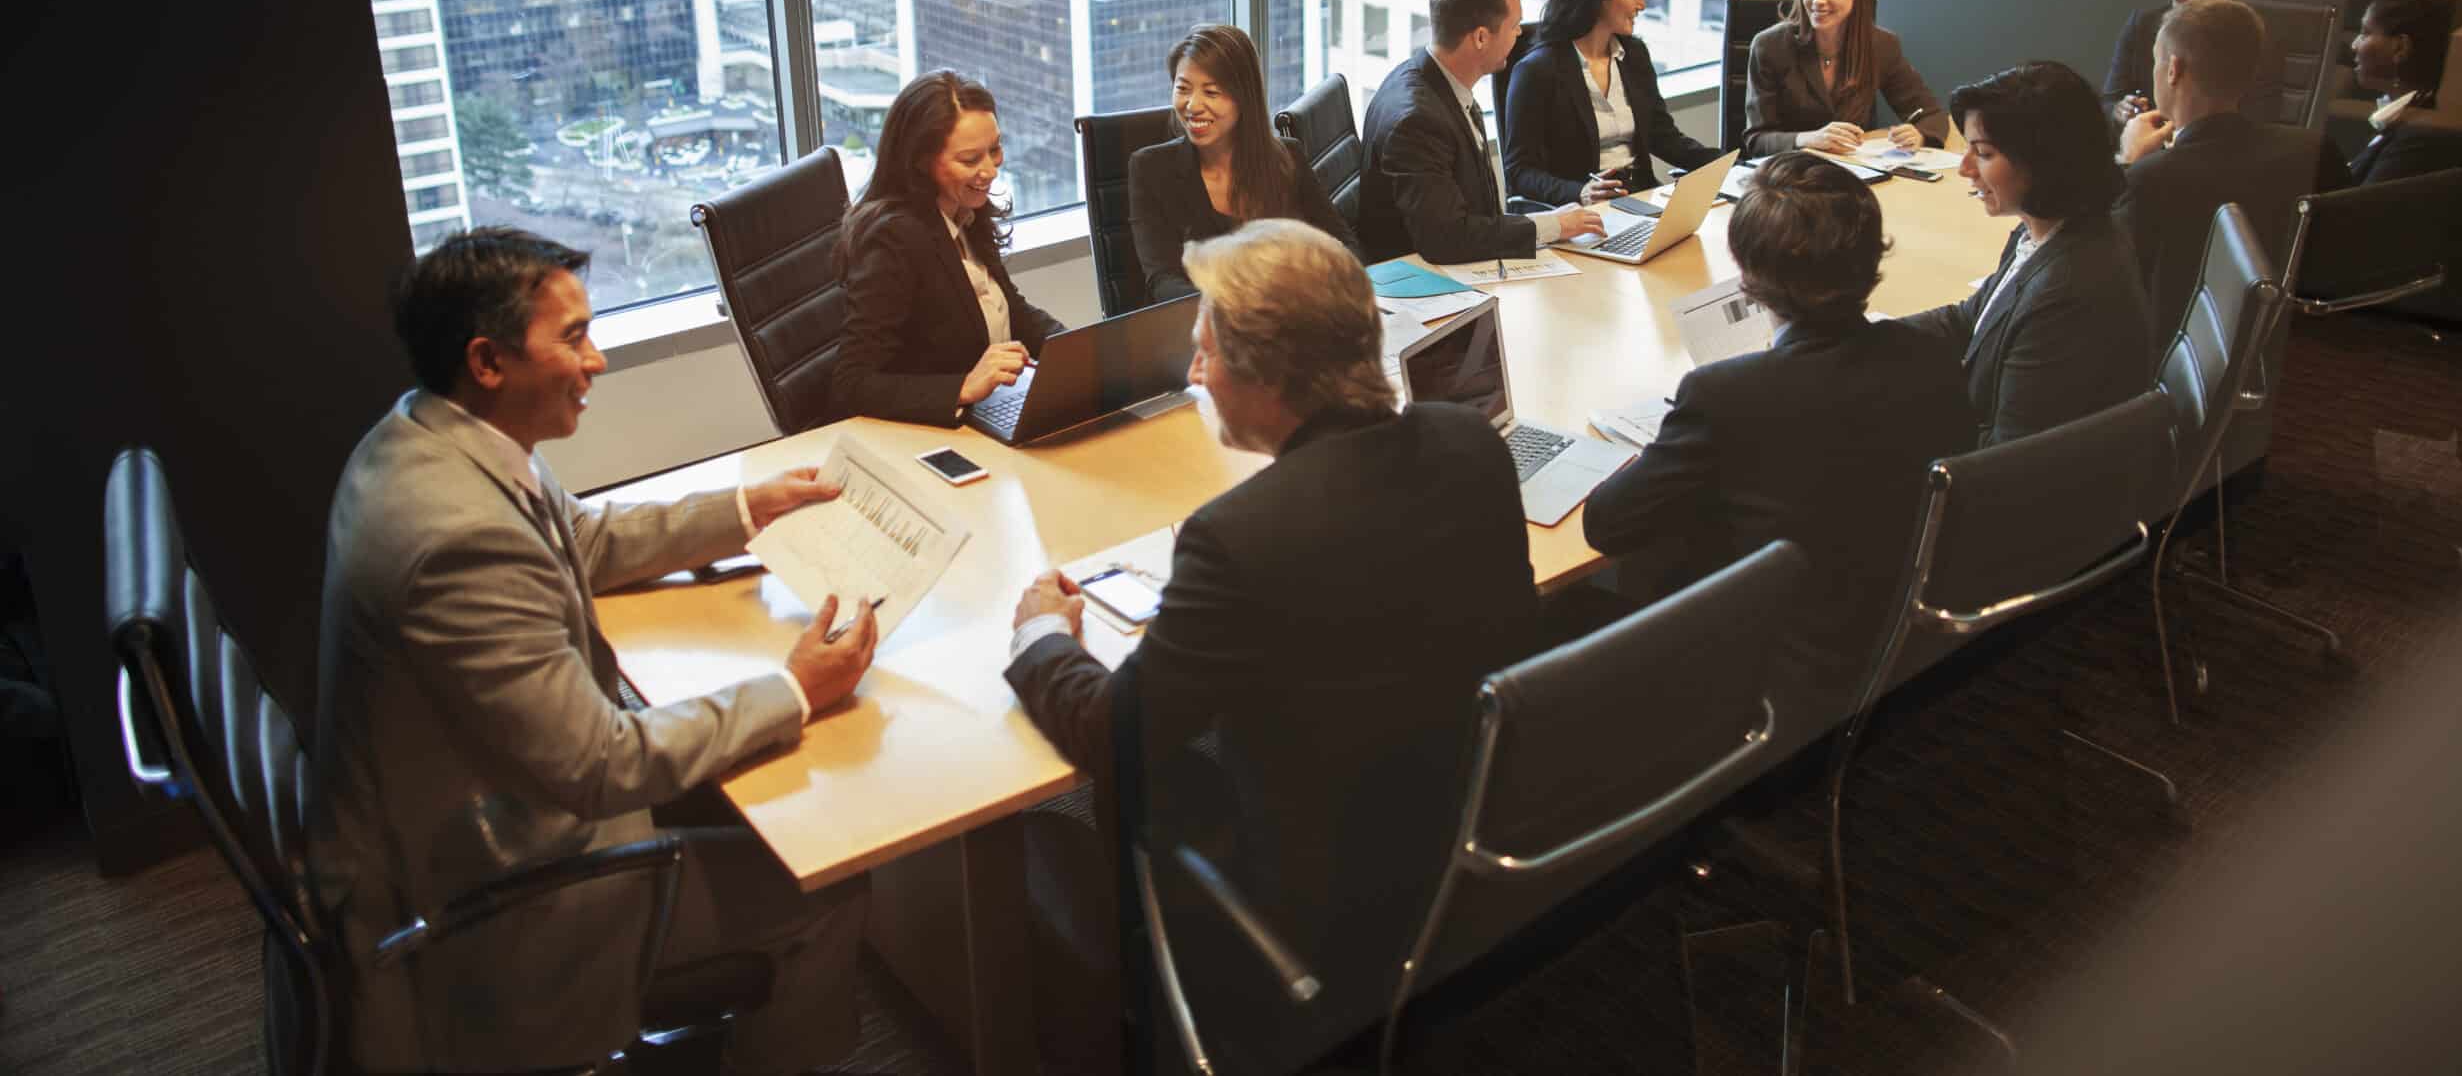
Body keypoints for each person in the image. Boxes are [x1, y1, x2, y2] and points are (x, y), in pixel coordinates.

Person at [308, 229, 879, 1075]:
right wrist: (794, 689)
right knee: (823, 881)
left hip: (469, 809)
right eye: (573, 337)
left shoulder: (427, 436)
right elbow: (600, 764)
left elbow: (583, 535)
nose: (598, 359)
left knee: (778, 798)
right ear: (488, 360)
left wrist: (746, 508)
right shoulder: (457, 540)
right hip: (489, 899)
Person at [1004, 220, 1539, 1042]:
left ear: (1268, 377)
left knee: (1043, 833)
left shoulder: (1240, 536)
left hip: (1328, 911)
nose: (1193, 374)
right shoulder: (1470, 441)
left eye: (1205, 352)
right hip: (1481, 839)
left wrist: (1044, 635)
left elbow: (1118, 737)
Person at [1582, 154, 1975, 727]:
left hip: (1787, 686)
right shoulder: (1931, 355)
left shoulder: (1725, 395)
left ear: (1747, 278)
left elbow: (1607, 524)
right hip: (1921, 649)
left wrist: (1660, 446)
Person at [1903, 61, 2150, 448]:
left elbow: (2010, 458)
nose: (1965, 168)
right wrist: (1860, 337)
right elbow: (1971, 317)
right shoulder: (2044, 230)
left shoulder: (2066, 293)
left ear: (2041, 163)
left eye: (1982, 154)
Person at [832, 70, 1064, 424]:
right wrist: (963, 387)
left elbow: (1010, 308)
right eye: (970, 160)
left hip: (986, 412)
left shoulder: (964, 209)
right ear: (921, 162)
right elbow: (852, 386)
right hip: (926, 432)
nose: (990, 170)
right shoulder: (893, 239)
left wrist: (1078, 351)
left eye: (995, 150)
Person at [1359, 0, 1605, 263]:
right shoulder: (1417, 121)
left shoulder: (1431, 79)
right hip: (1430, 284)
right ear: (1480, 37)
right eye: (1514, 26)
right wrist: (1554, 224)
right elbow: (1448, 238)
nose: (1519, 35)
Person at [2116, 0, 2326, 353]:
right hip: (2282, 346)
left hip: (2166, 351)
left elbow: (2099, 277)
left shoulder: (2152, 178)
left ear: (2173, 70)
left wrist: (2131, 162)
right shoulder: (2312, 149)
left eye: (2156, 60)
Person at [1127, 23, 1358, 303]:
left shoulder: (1287, 157)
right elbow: (1164, 284)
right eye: (1183, 88)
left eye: (1211, 92)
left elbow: (1347, 245)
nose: (1193, 105)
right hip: (1206, 330)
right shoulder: (1151, 170)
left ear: (1243, 98)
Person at [1501, 0, 1718, 208]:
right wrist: (1580, 192)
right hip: (1581, 213)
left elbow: (1663, 137)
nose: (1643, 4)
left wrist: (1730, 165)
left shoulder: (1634, 55)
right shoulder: (1537, 71)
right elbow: (1520, 172)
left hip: (1641, 200)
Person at [1741, 0, 1948, 159]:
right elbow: (1757, 140)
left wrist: (1919, 134)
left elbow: (1931, 115)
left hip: (1854, 170)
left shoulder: (1881, 45)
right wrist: (1808, 139)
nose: (1817, 1)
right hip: (1787, 171)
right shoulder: (1770, 45)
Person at [2102, 0, 2250, 122]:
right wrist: (2120, 110)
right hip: (2149, 146)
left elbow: (2259, 119)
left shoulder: (2249, 39)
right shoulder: (2143, 26)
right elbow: (2110, 100)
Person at [2344, 0, 2462, 186]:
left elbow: (2357, 210)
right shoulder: (2404, 116)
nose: (2354, 44)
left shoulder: (2418, 138)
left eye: (2365, 33)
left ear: (2400, 48)